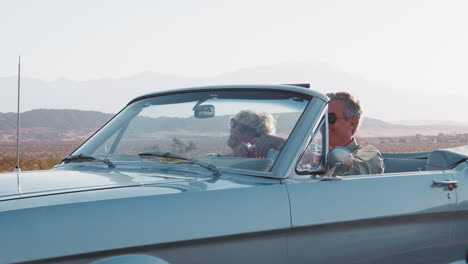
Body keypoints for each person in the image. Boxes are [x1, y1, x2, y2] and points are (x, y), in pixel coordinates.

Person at [327, 92, 384, 175]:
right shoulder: (319, 154)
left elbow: (352, 172)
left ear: (352, 123)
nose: (324, 124)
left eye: (330, 118)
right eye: (321, 119)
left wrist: (317, 163)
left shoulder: (370, 154)